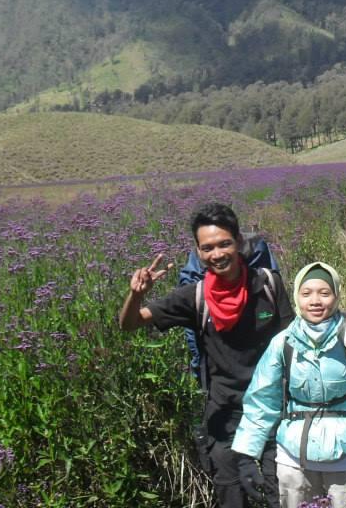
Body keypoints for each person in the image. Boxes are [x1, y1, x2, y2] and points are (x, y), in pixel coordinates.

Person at [119, 203, 293, 508]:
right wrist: (136, 294)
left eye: (224, 244)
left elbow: (294, 345)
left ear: (238, 243)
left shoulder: (268, 284)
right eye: (207, 247)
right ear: (198, 253)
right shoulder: (194, 297)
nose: (217, 254)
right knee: (231, 498)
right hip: (224, 418)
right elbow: (129, 324)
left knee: (278, 497)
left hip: (272, 413)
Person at [231, 261, 346, 508]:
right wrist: (246, 457)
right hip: (293, 460)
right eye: (306, 293)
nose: (315, 301)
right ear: (296, 297)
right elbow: (261, 402)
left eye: (324, 293)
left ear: (336, 296)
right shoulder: (283, 343)